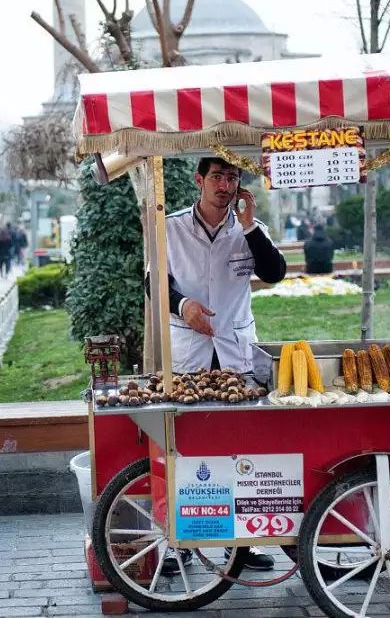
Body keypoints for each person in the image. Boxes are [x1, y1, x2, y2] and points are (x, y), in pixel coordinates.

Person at [146, 157, 286, 574]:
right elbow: (154, 281)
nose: (224, 186)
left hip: (236, 351)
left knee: (240, 448)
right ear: (199, 181)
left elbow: (275, 272)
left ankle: (241, 543)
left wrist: (248, 226)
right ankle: (179, 542)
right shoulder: (170, 227)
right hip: (189, 350)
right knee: (185, 447)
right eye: (217, 178)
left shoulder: (248, 231)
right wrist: (183, 304)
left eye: (232, 178)